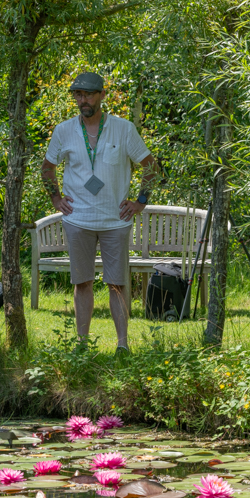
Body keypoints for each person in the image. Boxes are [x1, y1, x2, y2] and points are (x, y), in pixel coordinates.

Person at [41, 72, 158, 353]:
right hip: (77, 219)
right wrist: (56, 198)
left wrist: (140, 201)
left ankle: (122, 345)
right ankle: (81, 345)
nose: (83, 100)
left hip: (115, 220)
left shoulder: (123, 129)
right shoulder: (64, 130)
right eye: (78, 95)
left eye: (89, 94)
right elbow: (47, 168)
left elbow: (151, 166)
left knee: (117, 284)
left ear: (102, 95)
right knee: (82, 282)